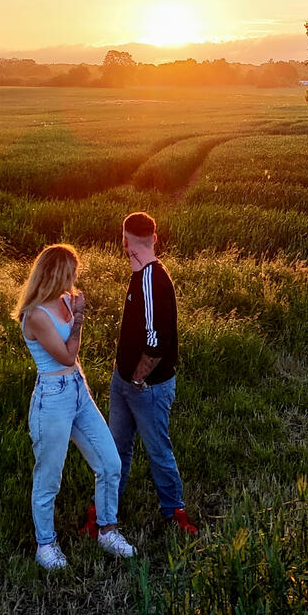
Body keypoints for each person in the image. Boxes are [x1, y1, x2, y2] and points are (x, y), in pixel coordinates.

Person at [15, 243, 136, 570]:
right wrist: (79, 319)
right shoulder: (36, 315)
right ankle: (45, 544)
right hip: (52, 398)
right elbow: (67, 355)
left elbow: (74, 356)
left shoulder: (65, 300)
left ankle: (107, 530)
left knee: (110, 461)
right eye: (71, 271)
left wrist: (75, 312)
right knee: (49, 477)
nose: (75, 277)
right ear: (56, 273)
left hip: (77, 390)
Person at [99, 212, 199, 535]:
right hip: (126, 381)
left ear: (125, 242)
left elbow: (156, 344)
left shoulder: (151, 279)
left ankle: (174, 513)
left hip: (147, 387)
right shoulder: (141, 273)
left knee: (158, 450)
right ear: (154, 240)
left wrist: (138, 379)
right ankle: (105, 510)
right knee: (116, 451)